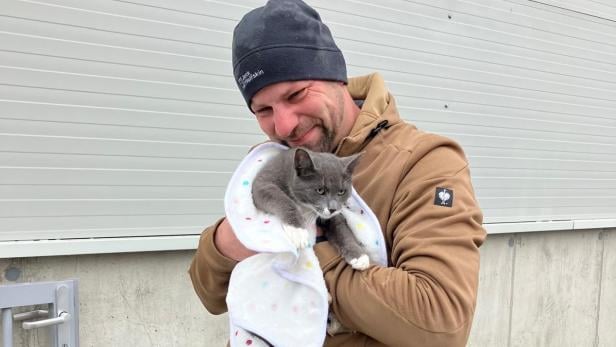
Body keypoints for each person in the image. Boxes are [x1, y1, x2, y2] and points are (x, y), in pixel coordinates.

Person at [189, 0, 487, 346]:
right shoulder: (277, 161)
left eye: (296, 94)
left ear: (336, 77)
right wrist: (229, 238)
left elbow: (440, 324)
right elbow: (208, 292)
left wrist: (309, 248)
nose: (284, 125)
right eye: (263, 109)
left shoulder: (422, 163)